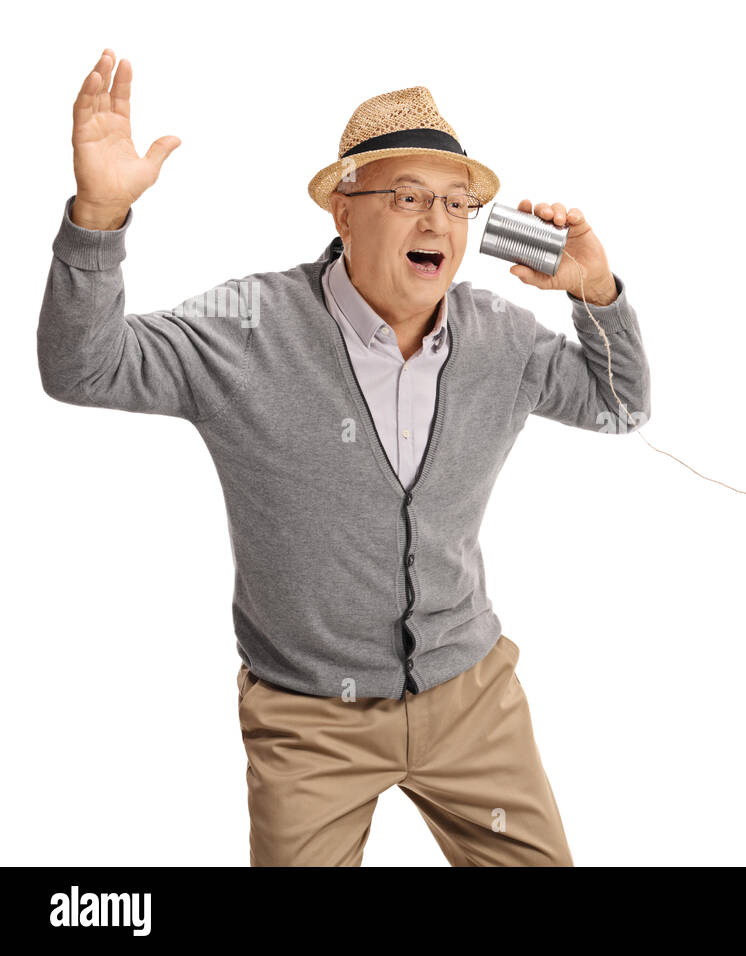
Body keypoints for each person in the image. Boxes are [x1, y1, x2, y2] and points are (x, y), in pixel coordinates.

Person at [38, 50, 651, 866]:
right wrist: (97, 219)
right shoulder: (245, 327)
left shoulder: (500, 340)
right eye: (408, 197)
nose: (438, 221)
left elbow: (622, 405)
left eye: (458, 202)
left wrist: (596, 291)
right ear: (341, 210)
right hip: (309, 721)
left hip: (471, 704)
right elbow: (84, 368)